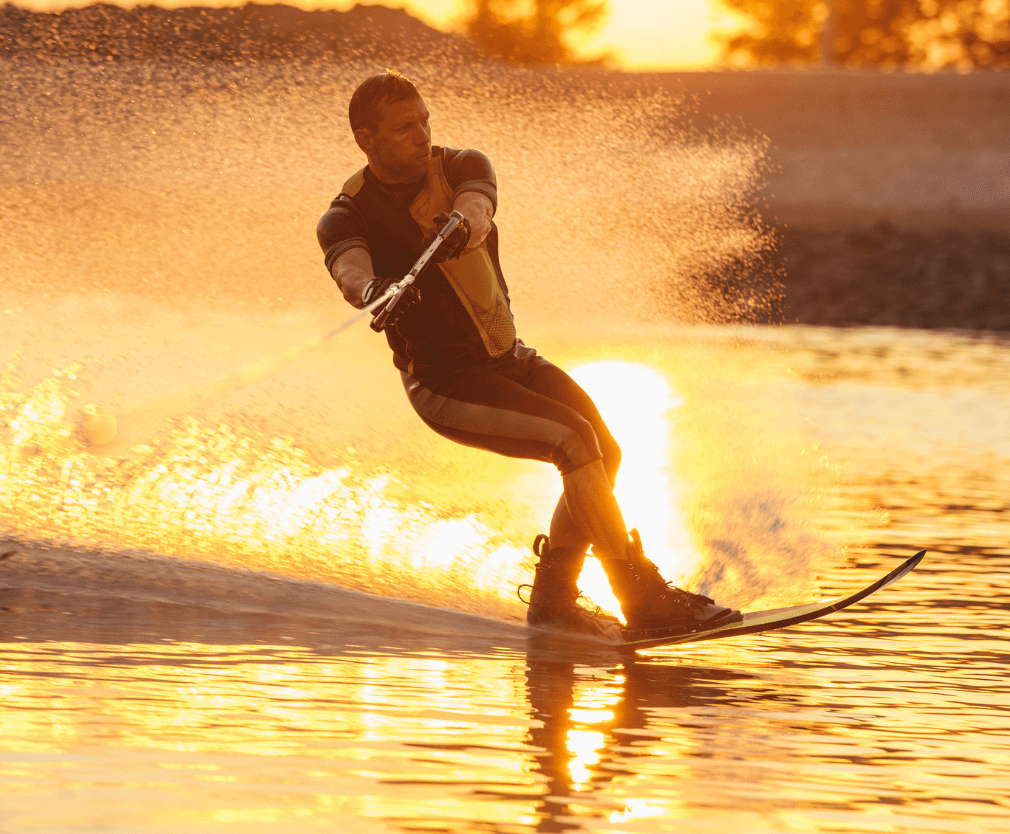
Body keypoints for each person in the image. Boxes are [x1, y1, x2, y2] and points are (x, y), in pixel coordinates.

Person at [315, 71, 740, 641]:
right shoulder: (345, 215)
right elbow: (350, 269)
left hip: (509, 358)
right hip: (446, 385)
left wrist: (466, 223)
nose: (421, 135)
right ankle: (640, 596)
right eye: (403, 129)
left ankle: (553, 603)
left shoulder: (464, 164)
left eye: (424, 121)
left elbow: (477, 204)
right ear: (366, 139)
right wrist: (374, 292)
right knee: (572, 440)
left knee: (603, 452)